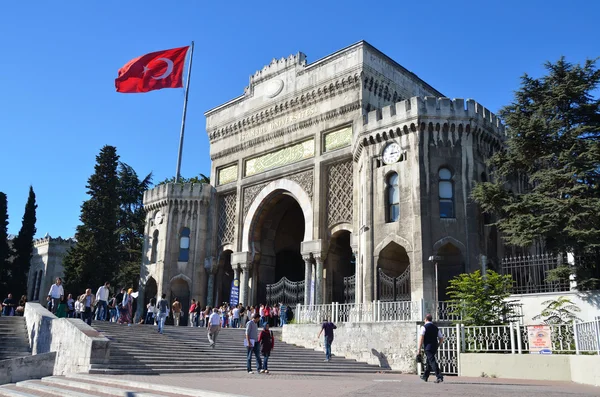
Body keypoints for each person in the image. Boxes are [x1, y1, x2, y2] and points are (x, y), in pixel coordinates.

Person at [417, 313, 444, 383]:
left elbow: (421, 339)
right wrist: (438, 345)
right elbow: (441, 338)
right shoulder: (436, 328)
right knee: (429, 361)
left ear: (425, 319)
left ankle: (439, 376)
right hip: (434, 347)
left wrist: (419, 350)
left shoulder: (424, 327)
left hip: (428, 347)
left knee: (432, 361)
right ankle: (425, 376)